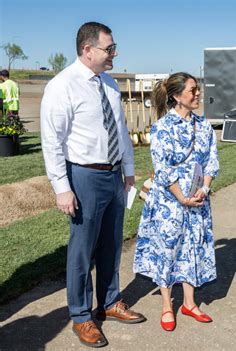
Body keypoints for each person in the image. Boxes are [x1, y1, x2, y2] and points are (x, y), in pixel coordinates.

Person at [41, 22, 145, 348]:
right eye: (109, 48)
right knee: (83, 251)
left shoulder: (109, 83)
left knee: (111, 245)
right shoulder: (63, 86)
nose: (115, 53)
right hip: (84, 176)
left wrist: (128, 170)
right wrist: (61, 187)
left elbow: (121, 130)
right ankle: (82, 316)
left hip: (114, 175)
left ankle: (110, 302)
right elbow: (52, 141)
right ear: (88, 50)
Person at [133, 72, 219, 332]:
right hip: (169, 200)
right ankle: (167, 306)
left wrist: (204, 188)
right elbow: (162, 167)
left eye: (197, 89)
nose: (197, 94)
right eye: (192, 90)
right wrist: (181, 198)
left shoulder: (204, 125)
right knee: (168, 249)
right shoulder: (162, 127)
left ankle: (189, 304)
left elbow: (211, 161)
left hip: (197, 198)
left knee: (193, 247)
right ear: (175, 96)